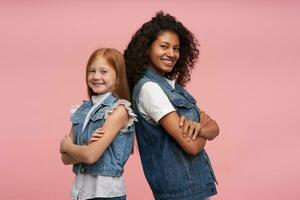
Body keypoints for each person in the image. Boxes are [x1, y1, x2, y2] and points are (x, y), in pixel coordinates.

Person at [124, 11, 219, 200]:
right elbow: (191, 146)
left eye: (176, 48)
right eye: (164, 46)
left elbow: (215, 127)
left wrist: (200, 128)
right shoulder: (150, 89)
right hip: (181, 193)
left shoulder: (173, 87)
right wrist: (203, 130)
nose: (172, 54)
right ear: (147, 48)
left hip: (194, 190)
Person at [60, 48, 136, 200]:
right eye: (92, 71)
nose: (96, 76)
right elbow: (65, 159)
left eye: (104, 71)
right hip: (80, 193)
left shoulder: (119, 110)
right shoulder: (82, 110)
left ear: (118, 77)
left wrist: (68, 146)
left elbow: (90, 156)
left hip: (106, 194)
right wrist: (86, 148)